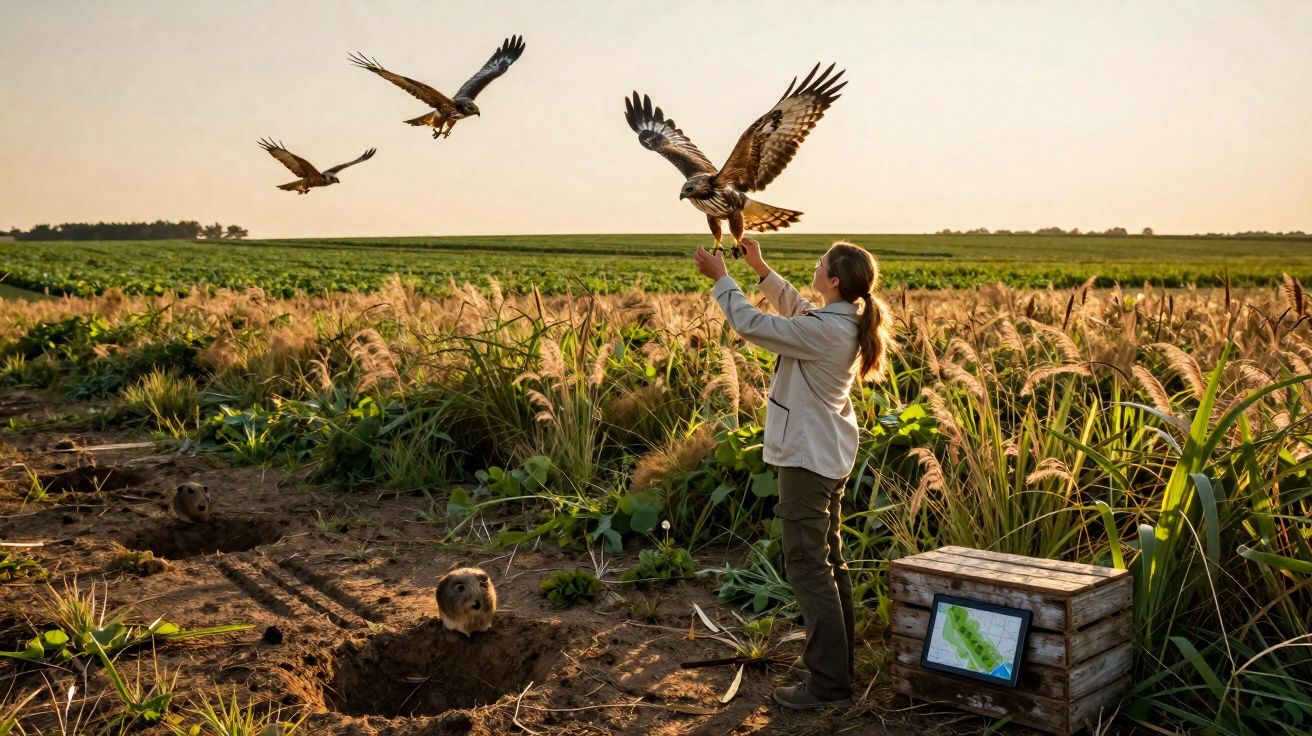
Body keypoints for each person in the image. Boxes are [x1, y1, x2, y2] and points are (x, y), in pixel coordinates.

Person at [693, 237, 893, 710]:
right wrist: (760, 269)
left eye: (821, 263)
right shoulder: (841, 320)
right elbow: (799, 309)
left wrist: (722, 280)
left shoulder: (827, 331)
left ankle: (827, 685)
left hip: (806, 460)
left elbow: (753, 325)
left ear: (835, 280)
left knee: (807, 566)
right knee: (829, 563)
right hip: (826, 455)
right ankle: (838, 668)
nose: (815, 266)